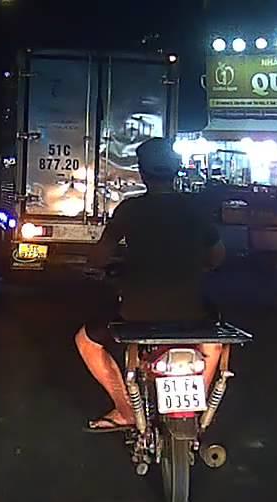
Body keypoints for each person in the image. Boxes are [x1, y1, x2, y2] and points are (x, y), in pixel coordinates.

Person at [75, 137, 225, 433]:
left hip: (137, 314)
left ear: (142, 172)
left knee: (86, 341)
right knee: (214, 342)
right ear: (176, 170)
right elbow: (218, 256)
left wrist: (98, 266)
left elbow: (100, 256)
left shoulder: (130, 210)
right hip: (191, 312)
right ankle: (196, 408)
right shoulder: (195, 208)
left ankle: (125, 411)